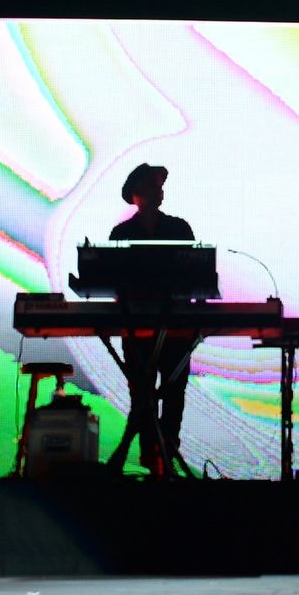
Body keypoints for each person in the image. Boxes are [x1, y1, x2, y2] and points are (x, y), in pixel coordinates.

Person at [107, 163, 198, 475]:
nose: (158, 191)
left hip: (174, 329)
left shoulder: (180, 229)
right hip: (138, 328)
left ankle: (166, 454)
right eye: (150, 185)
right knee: (142, 394)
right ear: (135, 194)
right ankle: (153, 457)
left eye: (158, 186)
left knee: (172, 394)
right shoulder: (121, 234)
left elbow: (197, 273)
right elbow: (111, 280)